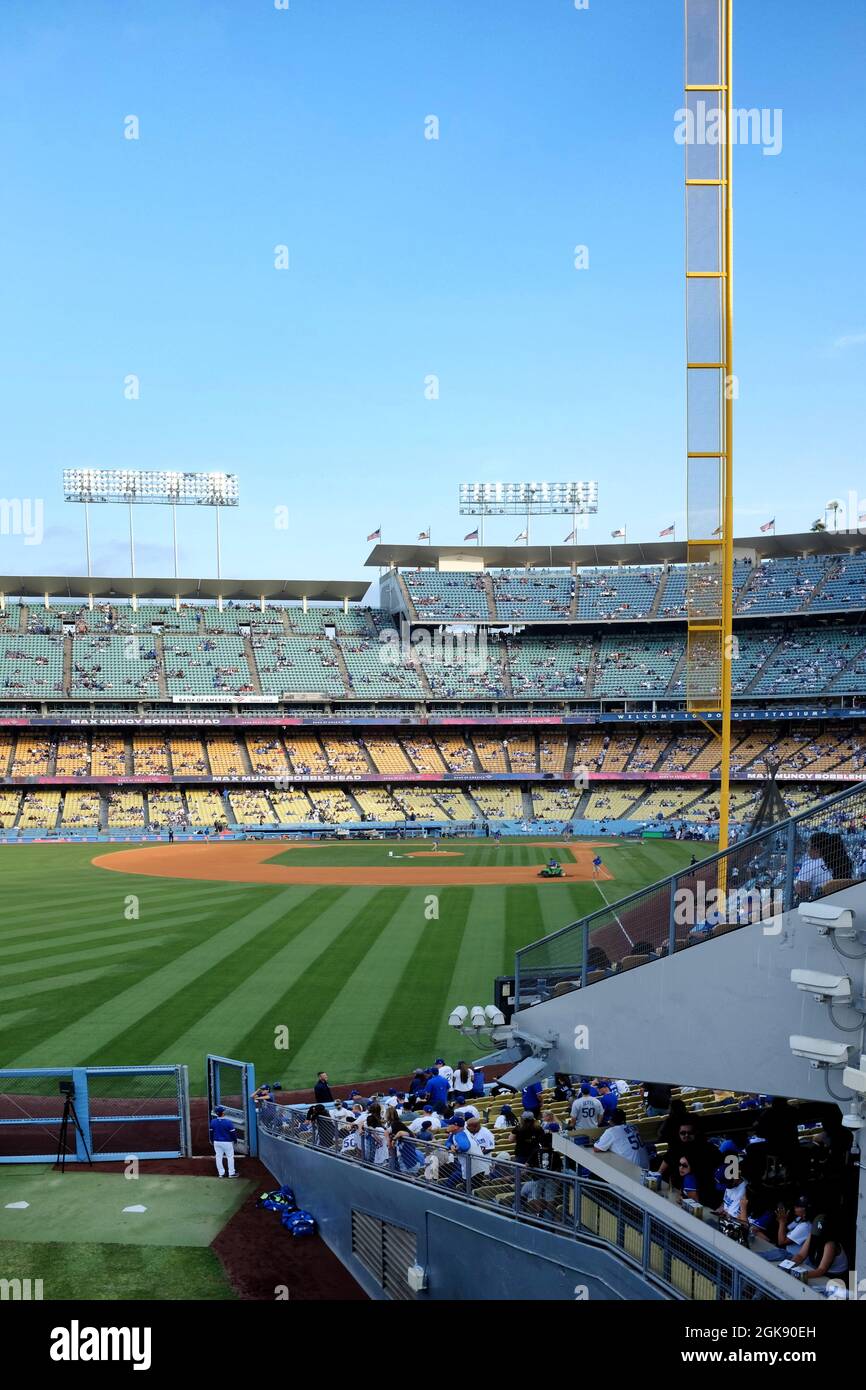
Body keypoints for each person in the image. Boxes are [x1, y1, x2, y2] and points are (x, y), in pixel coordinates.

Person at [795, 831, 853, 900]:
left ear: (816, 849)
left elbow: (802, 891)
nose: (807, 849)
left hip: (821, 904)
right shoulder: (842, 861)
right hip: (844, 900)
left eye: (808, 846)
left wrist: (797, 885)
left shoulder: (809, 864)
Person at [760, 1196, 813, 1263]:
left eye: (798, 1206)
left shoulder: (805, 1226)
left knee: (759, 1257)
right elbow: (786, 1229)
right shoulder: (799, 1219)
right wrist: (783, 1221)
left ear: (805, 1209)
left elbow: (781, 1242)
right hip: (787, 1253)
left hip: (794, 1258)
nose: (795, 1207)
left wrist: (782, 1222)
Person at [209, 1105, 238, 1177]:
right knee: (230, 1157)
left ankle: (221, 1174)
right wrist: (235, 1140)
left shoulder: (213, 1122)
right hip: (227, 1142)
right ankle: (231, 1173)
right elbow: (233, 1133)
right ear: (222, 1113)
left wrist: (212, 1140)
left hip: (216, 1142)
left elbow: (211, 1133)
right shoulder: (228, 1122)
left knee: (218, 1157)